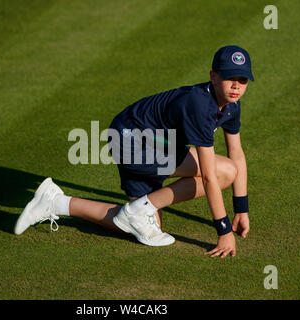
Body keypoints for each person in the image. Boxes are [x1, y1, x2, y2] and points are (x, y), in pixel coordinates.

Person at [14, 45, 253, 258]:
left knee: (145, 227)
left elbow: (237, 152)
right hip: (129, 140)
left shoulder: (232, 105)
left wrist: (241, 210)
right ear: (212, 76)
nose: (236, 86)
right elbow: (211, 176)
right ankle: (141, 208)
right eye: (229, 77)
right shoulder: (200, 105)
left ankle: (56, 203)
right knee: (224, 171)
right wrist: (223, 231)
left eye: (242, 80)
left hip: (155, 142)